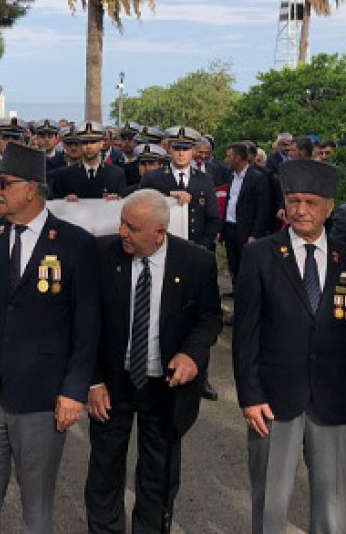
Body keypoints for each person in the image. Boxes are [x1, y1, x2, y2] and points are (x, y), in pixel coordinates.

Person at [0, 143, 100, 534]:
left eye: (3, 183)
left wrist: (74, 390)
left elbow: (87, 325)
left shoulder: (74, 242)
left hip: (43, 397)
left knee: (37, 506)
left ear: (31, 189)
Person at [232, 159, 346, 534]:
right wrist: (250, 395)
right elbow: (245, 334)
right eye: (294, 200)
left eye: (311, 202)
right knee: (270, 502)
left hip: (334, 401)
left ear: (330, 207)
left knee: (332, 502)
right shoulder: (260, 255)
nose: (301, 210)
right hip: (274, 400)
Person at [85, 190, 222, 533]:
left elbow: (209, 319)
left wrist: (192, 353)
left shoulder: (196, 262)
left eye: (132, 227)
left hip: (165, 387)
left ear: (159, 232)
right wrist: (93, 381)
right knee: (104, 474)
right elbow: (84, 322)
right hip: (113, 385)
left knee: (158, 479)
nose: (122, 233)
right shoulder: (101, 255)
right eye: (121, 223)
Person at [140, 126, 221, 252]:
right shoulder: (153, 178)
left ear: (194, 151)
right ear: (168, 149)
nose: (181, 153)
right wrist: (168, 195)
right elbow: (142, 206)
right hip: (162, 248)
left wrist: (203, 245)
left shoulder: (204, 180)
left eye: (186, 149)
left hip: (197, 247)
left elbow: (213, 217)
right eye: (177, 148)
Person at [221, 141, 272, 282]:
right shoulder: (231, 176)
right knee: (233, 266)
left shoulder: (257, 178)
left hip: (246, 230)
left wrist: (255, 234)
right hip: (230, 228)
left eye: (229, 156)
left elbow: (262, 209)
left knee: (247, 268)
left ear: (237, 158)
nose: (226, 160)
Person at [49, 120, 126, 201]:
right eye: (84, 142)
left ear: (101, 143)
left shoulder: (116, 174)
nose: (88, 146)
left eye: (93, 142)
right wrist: (65, 201)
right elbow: (56, 205)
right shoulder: (64, 175)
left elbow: (124, 205)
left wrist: (116, 199)